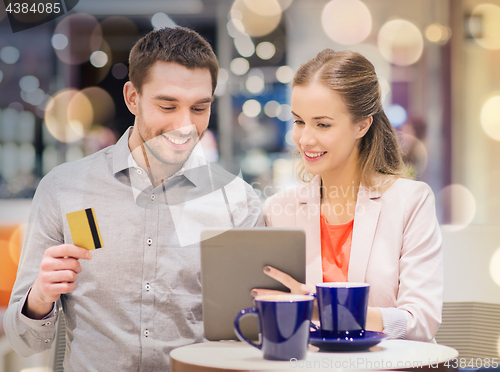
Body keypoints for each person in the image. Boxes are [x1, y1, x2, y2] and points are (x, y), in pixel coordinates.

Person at [4, 26, 263, 371]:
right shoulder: (64, 189)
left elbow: (251, 337)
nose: (185, 126)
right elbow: (25, 341)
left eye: (199, 109)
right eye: (167, 106)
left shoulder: (237, 201)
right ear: (132, 98)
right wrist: (39, 297)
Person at [254, 49, 443, 343]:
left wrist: (323, 309)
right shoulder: (278, 210)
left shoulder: (411, 202)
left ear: (362, 125)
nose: (305, 139)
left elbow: (421, 322)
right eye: (299, 121)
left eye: (323, 124)